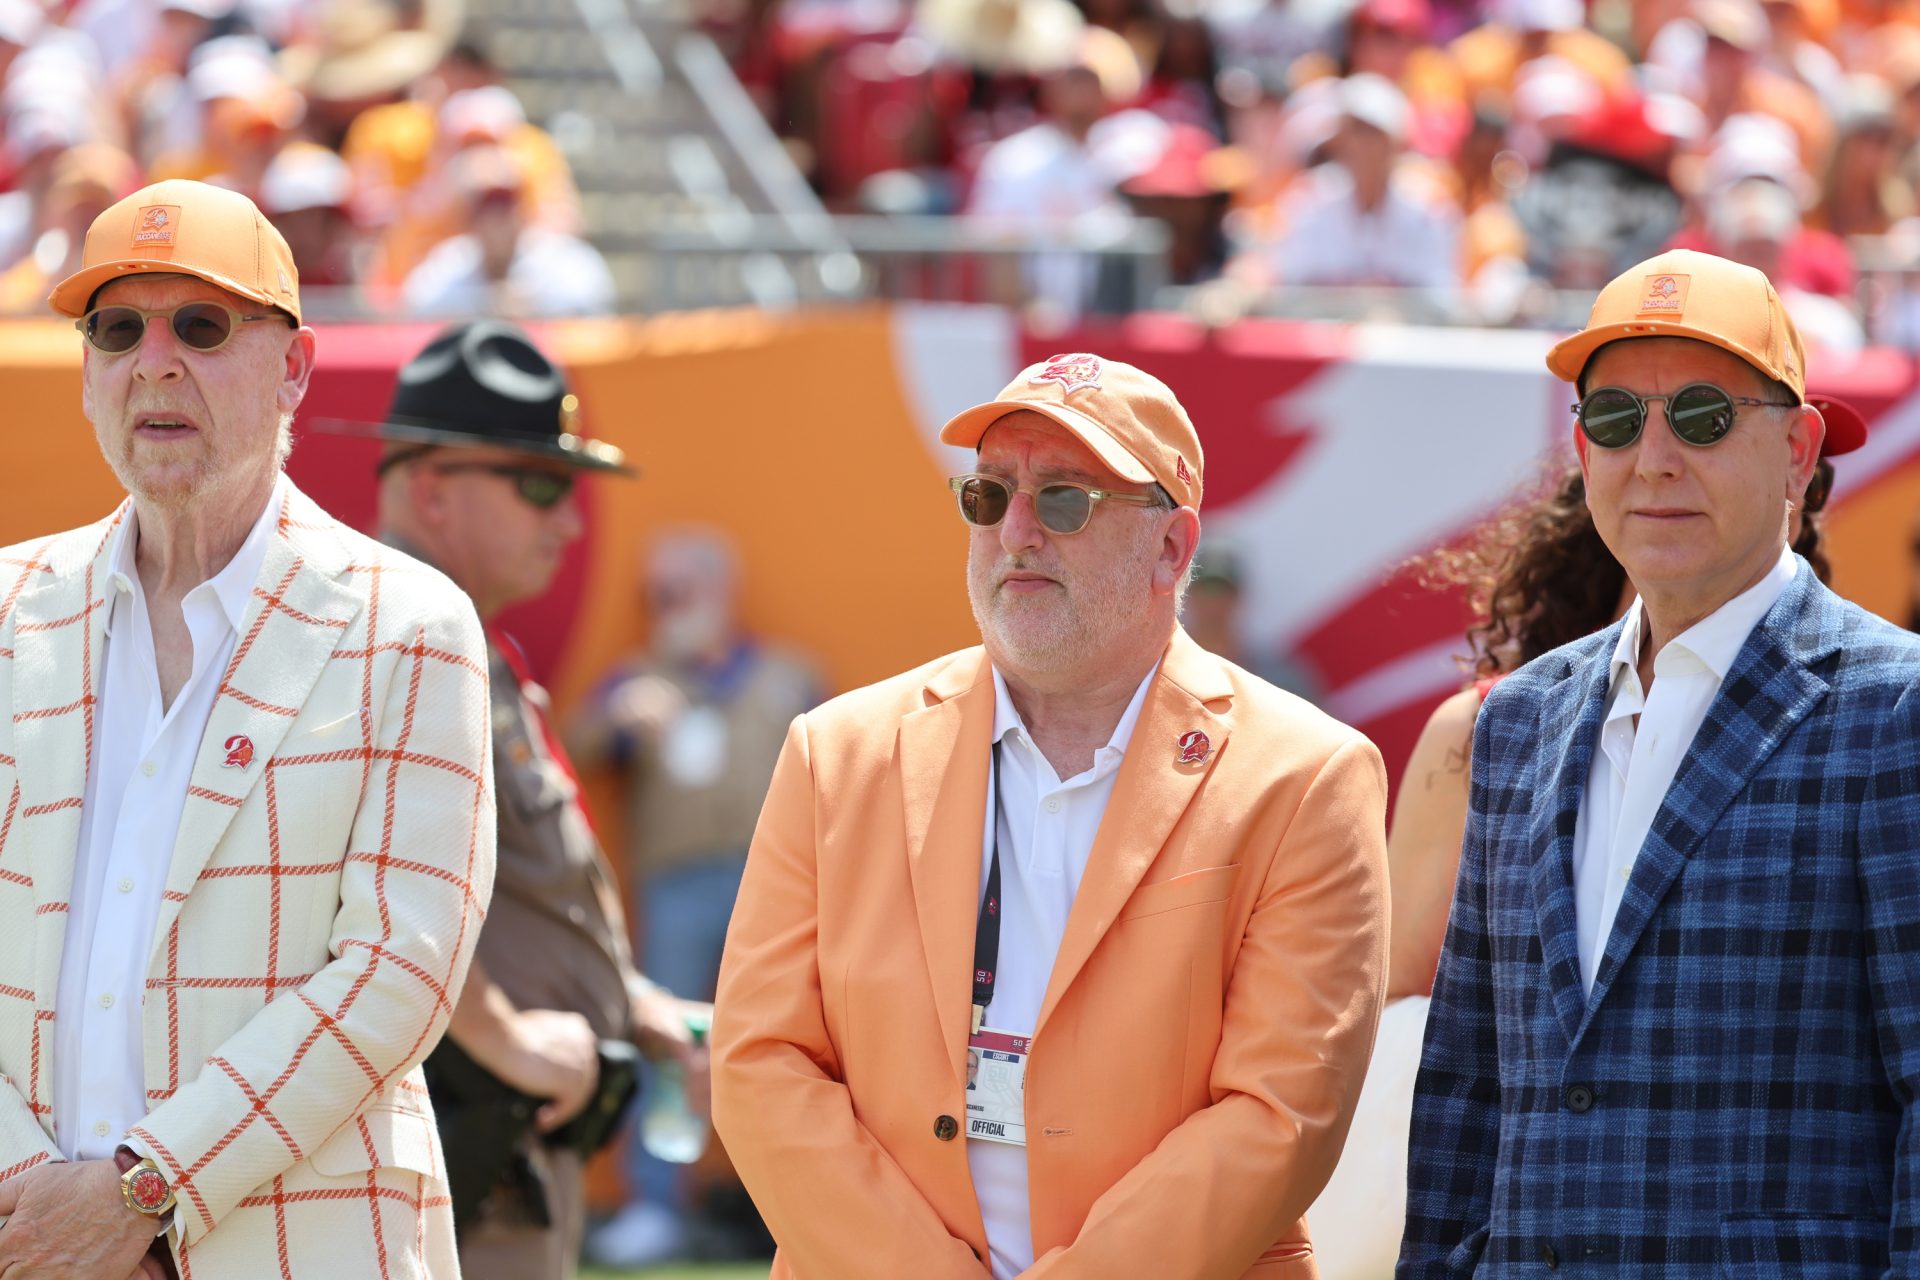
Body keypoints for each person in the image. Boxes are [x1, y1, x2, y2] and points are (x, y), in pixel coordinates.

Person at [712, 352, 1390, 1279]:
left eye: (1065, 499)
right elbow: (759, 1064)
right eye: (989, 496)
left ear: (1173, 549)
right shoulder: (837, 752)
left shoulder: (1304, 775)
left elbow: (1280, 1115)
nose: (1018, 531)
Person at [0, 177, 494, 1279]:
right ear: (86, 374)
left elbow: (397, 971)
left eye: (203, 324)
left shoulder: (409, 624)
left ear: (296, 369)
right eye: (117, 327)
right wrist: (38, 1205)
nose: (155, 360)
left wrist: (144, 1187)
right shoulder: (6, 609)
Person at [1400, 248, 1920, 1274]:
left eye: (1702, 414)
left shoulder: (1893, 705)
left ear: (1800, 448)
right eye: (1614, 419)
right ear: (1581, 453)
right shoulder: (1520, 720)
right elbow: (1467, 1085)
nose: (1655, 456)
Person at [366, 319, 704, 1280]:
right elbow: (372, 892)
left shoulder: (461, 643)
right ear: (434, 489)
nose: (569, 521)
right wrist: (504, 1035)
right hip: (458, 1160)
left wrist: (635, 1009)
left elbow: (519, 895)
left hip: (502, 1159)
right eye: (542, 485)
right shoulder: (393, 637)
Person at [566, 528, 821, 1268]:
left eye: (677, 592)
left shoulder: (787, 673)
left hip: (776, 887)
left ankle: (792, 1209)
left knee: (786, 1044)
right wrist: (618, 715)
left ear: (717, 592)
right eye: (656, 595)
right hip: (674, 884)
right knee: (670, 1050)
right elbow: (577, 748)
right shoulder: (636, 678)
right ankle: (655, 1207)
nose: (664, 608)